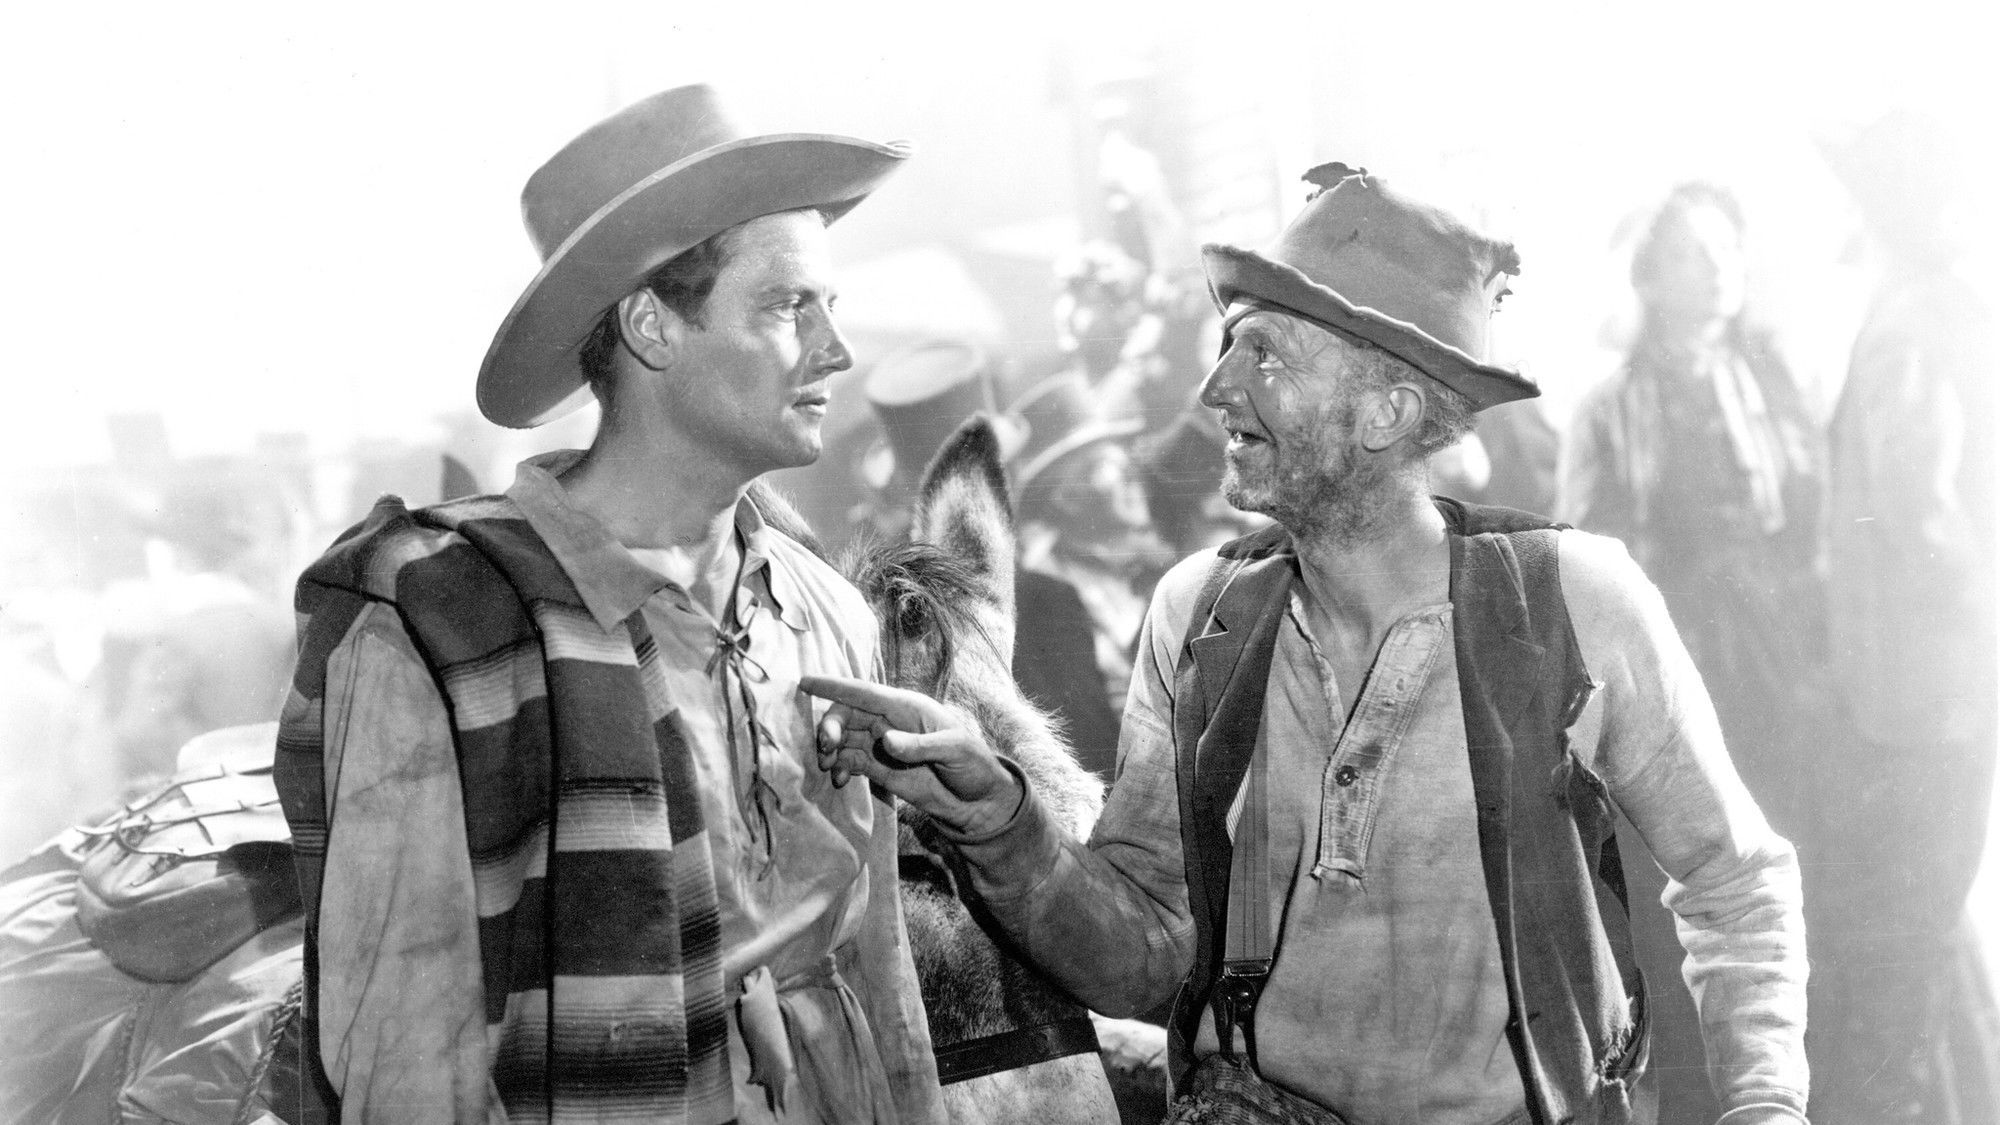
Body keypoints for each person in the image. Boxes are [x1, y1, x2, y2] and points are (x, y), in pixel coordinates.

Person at [805, 165, 1809, 1125]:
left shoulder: (1570, 604)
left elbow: (1736, 883)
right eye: (1227, 346)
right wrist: (1004, 828)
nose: (1215, 388)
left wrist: (1764, 1102)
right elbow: (1140, 952)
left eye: (1265, 355)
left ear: (1386, 412)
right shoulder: (1198, 616)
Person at [272, 85, 943, 1124]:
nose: (836, 349)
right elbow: (405, 1064)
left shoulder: (822, 608)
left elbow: (881, 971)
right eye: (787, 306)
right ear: (651, 325)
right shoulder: (441, 628)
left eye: (830, 306)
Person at [1556, 182, 1825, 1123]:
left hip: (1774, 658)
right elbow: (1588, 553)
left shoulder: (1770, 380)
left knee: (1784, 871)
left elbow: (1815, 519)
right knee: (1694, 874)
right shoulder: (1611, 406)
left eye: (1726, 252)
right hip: (1673, 658)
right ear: (1651, 279)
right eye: (1691, 256)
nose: (1717, 272)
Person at [1813, 110, 1997, 1125]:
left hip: (1925, 690)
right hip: (1926, 695)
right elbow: (1919, 507)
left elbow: (1919, 507)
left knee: (1911, 931)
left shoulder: (1914, 319)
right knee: (1909, 932)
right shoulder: (1924, 318)